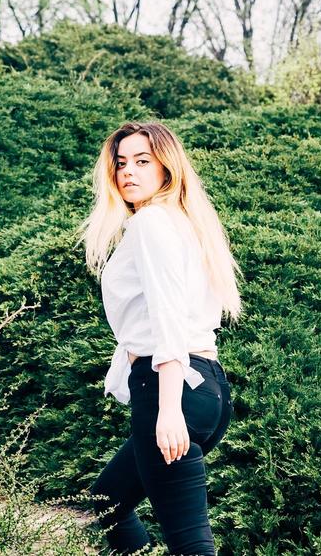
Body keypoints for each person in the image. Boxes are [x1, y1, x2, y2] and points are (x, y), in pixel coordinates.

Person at [79, 120, 244, 555]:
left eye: (142, 161)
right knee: (106, 505)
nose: (127, 172)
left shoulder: (152, 222)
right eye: (120, 163)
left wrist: (168, 409)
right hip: (207, 390)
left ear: (167, 169)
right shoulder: (183, 223)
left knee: (191, 546)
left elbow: (167, 318)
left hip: (172, 390)